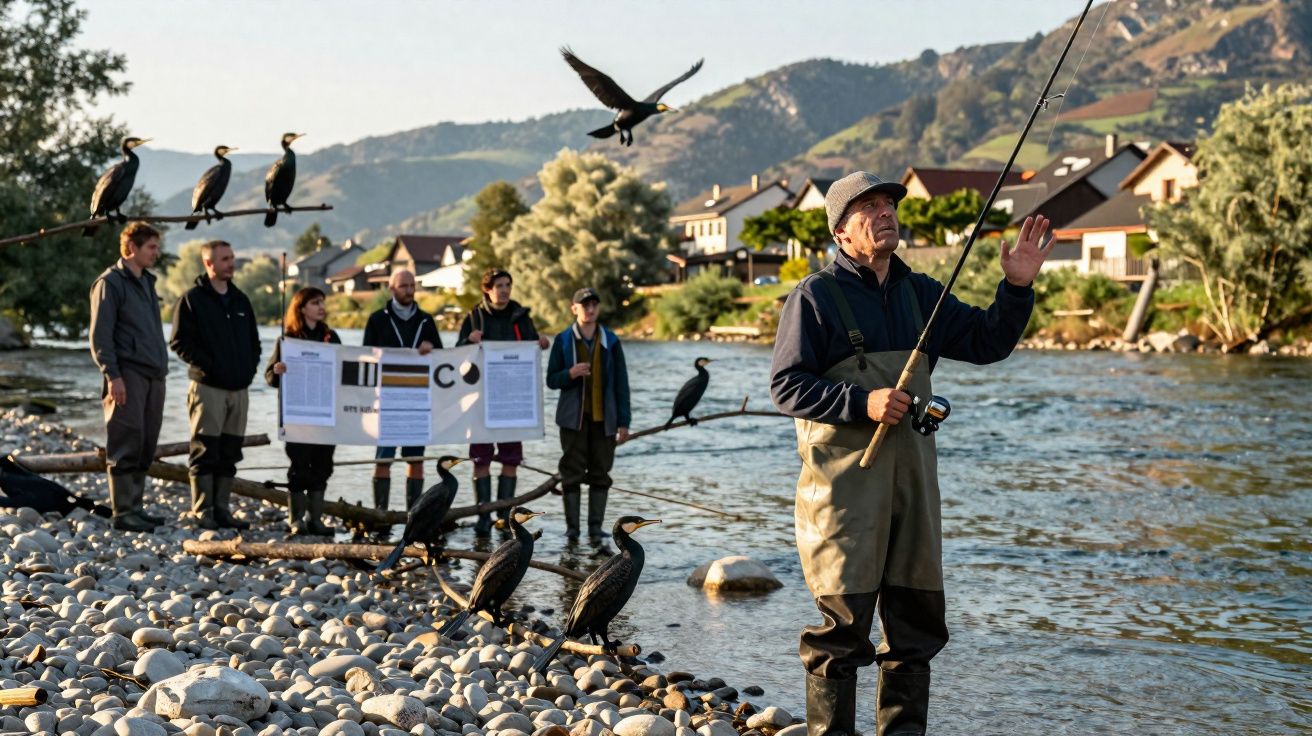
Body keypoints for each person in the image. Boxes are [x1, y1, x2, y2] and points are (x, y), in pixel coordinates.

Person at [769, 171, 1051, 736]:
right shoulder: (815, 298)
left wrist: (1016, 288)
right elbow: (787, 386)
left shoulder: (923, 294)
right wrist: (861, 401)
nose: (884, 213)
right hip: (842, 494)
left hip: (914, 491)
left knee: (916, 628)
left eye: (888, 204)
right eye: (868, 208)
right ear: (841, 233)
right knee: (842, 631)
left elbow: (988, 342)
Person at [170, 240, 261, 530]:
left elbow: (255, 343)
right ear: (209, 264)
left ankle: (222, 509)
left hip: (239, 389)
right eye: (225, 259)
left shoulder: (241, 300)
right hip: (207, 388)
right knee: (205, 450)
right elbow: (179, 342)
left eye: (232, 257)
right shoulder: (193, 299)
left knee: (230, 452)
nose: (231, 263)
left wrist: (249, 369)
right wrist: (209, 366)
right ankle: (202, 511)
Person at [88, 223, 170, 532]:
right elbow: (100, 336)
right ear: (131, 248)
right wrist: (113, 376)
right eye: (151, 247)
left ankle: (136, 507)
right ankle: (122, 513)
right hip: (127, 374)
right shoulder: (110, 283)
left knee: (146, 441)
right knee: (125, 439)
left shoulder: (146, 282)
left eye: (157, 247)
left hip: (153, 374)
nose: (156, 253)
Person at [457, 268, 550, 537]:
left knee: (511, 459)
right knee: (480, 459)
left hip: (513, 403)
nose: (505, 290)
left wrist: (541, 343)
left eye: (508, 285)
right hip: (481, 402)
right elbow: (456, 357)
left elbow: (533, 345)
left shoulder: (521, 316)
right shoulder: (474, 317)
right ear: (487, 289)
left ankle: (504, 517)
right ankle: (483, 517)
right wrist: (467, 340)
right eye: (499, 285)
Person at [546, 287, 630, 542]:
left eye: (594, 305)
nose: (590, 309)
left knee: (600, 474)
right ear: (574, 309)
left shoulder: (612, 341)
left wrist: (624, 422)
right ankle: (573, 531)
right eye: (585, 305)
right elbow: (551, 380)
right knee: (570, 475)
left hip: (605, 421)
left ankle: (595, 530)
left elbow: (621, 385)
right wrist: (570, 374)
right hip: (573, 421)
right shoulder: (562, 340)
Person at [362, 269, 442, 511]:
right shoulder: (377, 319)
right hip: (386, 399)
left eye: (412, 285)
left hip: (418, 399)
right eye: (404, 286)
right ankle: (381, 513)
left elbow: (442, 356)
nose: (409, 290)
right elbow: (364, 355)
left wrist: (432, 348)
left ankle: (413, 514)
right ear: (392, 288)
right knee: (384, 458)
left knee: (415, 459)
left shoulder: (426, 320)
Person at [266, 287, 341, 537]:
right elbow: (269, 378)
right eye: (315, 303)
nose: (321, 307)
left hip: (325, 414)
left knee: (323, 465)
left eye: (322, 302)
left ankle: (315, 519)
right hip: (297, 416)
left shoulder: (331, 337)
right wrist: (277, 370)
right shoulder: (287, 339)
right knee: (299, 465)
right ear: (301, 308)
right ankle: (296, 519)